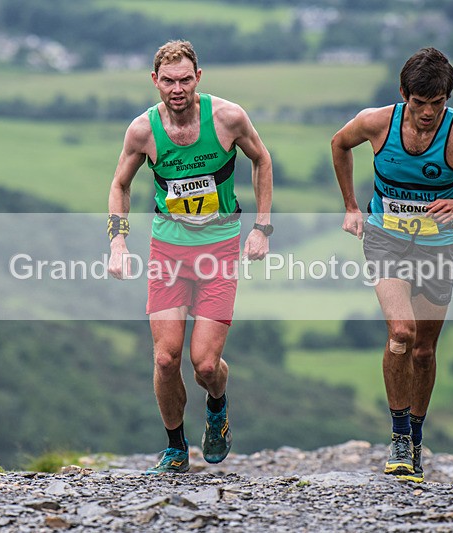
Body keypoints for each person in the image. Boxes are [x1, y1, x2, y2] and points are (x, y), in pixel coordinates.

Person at [330, 47, 453, 482]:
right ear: (404, 95)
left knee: (423, 351)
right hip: (384, 238)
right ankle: (399, 438)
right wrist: (350, 205)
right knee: (401, 332)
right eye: (420, 105)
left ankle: (416, 436)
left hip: (438, 248)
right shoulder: (376, 122)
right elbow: (339, 144)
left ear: (447, 99)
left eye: (437, 105)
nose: (428, 115)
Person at [107, 40, 273, 474]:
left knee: (203, 364)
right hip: (168, 249)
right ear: (154, 81)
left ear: (198, 78)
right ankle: (175, 448)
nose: (177, 89)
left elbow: (262, 160)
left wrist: (262, 227)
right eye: (168, 81)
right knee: (165, 358)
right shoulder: (143, 131)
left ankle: (217, 405)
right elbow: (120, 185)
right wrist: (118, 242)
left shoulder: (228, 118)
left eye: (185, 80)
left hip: (218, 249)